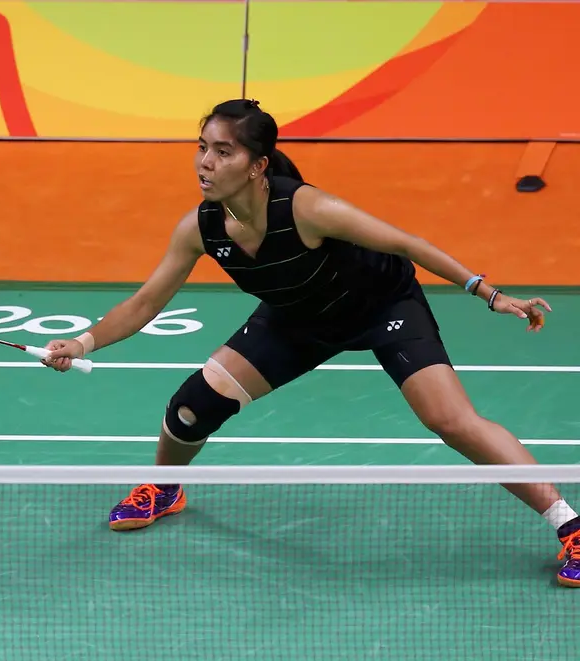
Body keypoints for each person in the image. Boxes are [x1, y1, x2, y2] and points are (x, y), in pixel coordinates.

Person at [40, 98, 580, 587]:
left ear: (256, 165)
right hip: (298, 319)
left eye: (222, 151)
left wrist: (490, 295)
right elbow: (143, 305)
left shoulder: (307, 208)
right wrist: (82, 343)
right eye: (201, 148)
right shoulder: (200, 228)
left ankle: (570, 525)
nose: (205, 162)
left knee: (450, 421)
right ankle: (164, 488)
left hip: (382, 308)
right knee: (189, 409)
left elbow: (407, 243)